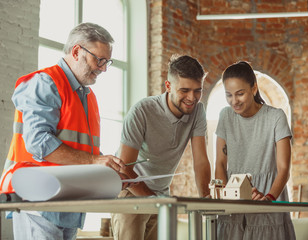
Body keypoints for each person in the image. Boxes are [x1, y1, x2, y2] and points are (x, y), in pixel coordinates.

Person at [0, 22, 128, 240]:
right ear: (77, 51)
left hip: (69, 200)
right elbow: (38, 143)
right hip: (37, 198)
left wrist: (106, 171)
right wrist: (95, 161)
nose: (104, 68)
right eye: (99, 60)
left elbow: (84, 152)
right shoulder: (45, 83)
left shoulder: (87, 97)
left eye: (108, 62)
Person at [111, 54, 211, 240]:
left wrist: (205, 198)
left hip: (161, 194)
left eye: (198, 90)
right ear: (168, 86)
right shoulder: (142, 111)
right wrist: (153, 199)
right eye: (184, 90)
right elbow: (124, 171)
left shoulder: (198, 111)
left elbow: (201, 160)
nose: (192, 98)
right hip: (131, 193)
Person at [215, 61, 296, 239]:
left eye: (240, 94)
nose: (234, 101)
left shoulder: (276, 117)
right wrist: (224, 196)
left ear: (254, 89)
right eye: (228, 95)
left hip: (268, 197)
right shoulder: (225, 116)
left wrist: (268, 199)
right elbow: (220, 163)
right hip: (233, 204)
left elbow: (283, 169)